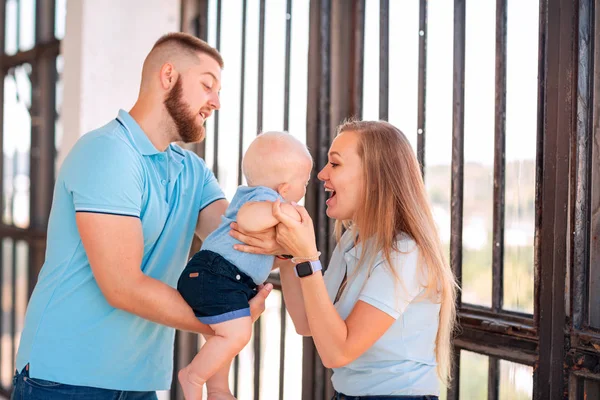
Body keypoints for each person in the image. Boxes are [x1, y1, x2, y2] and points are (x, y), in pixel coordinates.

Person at [11, 32, 275, 400]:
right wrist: (229, 321)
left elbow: (236, 239)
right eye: (207, 86)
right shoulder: (108, 153)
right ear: (168, 76)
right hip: (66, 379)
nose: (215, 102)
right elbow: (123, 286)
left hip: (138, 382)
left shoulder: (192, 171)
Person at [231, 120, 457, 399]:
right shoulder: (354, 239)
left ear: (374, 177)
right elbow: (306, 322)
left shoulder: (405, 253)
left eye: (335, 165)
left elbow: (337, 352)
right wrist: (290, 251)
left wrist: (307, 257)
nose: (321, 174)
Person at [176, 131, 312, 399]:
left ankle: (218, 389)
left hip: (219, 276)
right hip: (217, 275)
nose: (306, 190)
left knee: (223, 334)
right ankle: (193, 375)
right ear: (285, 188)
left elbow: (257, 254)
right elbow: (248, 220)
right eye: (304, 183)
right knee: (237, 335)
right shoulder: (263, 200)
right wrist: (281, 211)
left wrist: (283, 253)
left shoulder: (259, 199)